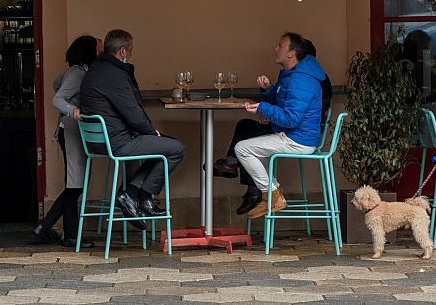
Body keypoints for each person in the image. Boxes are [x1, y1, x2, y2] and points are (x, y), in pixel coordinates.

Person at [213, 36, 331, 216]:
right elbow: (286, 105)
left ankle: (270, 195)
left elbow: (292, 119)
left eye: (280, 46)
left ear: (292, 53)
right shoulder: (294, 75)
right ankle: (268, 194)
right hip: (294, 134)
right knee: (247, 140)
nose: (276, 48)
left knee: (243, 148)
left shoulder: (301, 80)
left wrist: (265, 108)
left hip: (298, 139)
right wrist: (269, 91)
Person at [80, 29, 186, 230]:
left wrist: (151, 133)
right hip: (118, 142)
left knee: (163, 146)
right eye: (130, 50)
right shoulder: (114, 74)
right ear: (121, 51)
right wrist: (150, 131)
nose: (131, 54)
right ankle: (142, 195)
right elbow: (132, 111)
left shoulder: (96, 69)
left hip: (98, 141)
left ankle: (131, 193)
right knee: (176, 148)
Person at [32, 35, 101, 248]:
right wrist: (74, 109)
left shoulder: (75, 71)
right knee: (76, 184)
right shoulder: (78, 73)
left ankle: (52, 229)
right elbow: (57, 99)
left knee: (75, 183)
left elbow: (56, 83)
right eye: (98, 50)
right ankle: (62, 232)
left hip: (69, 131)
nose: (101, 53)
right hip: (72, 131)